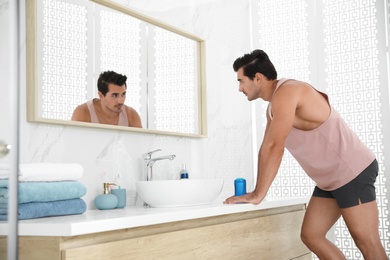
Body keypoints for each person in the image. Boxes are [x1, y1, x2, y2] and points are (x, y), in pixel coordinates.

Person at [224, 50, 387, 259]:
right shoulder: (273, 108)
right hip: (330, 180)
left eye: (241, 81)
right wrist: (256, 191)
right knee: (312, 235)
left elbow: (275, 146)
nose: (240, 88)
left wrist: (258, 195)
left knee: (367, 241)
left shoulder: (289, 91)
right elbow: (266, 147)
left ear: (258, 78)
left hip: (351, 171)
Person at [71, 71, 142, 128]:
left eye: (123, 94)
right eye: (114, 95)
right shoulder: (83, 113)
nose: (121, 101)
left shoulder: (131, 115)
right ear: (101, 95)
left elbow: (140, 144)